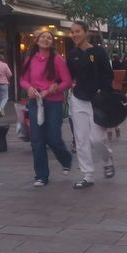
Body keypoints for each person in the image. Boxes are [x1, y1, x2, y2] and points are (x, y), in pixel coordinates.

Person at [20, 30, 74, 187]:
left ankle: (66, 158)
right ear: (36, 41)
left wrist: (52, 89)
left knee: (53, 138)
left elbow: (67, 82)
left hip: (54, 103)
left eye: (49, 38)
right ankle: (41, 176)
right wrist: (28, 88)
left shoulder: (57, 60)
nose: (45, 39)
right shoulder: (30, 59)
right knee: (37, 140)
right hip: (35, 102)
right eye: (42, 37)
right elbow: (23, 79)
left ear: (52, 42)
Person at [66, 21, 115, 189]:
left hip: (97, 101)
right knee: (81, 140)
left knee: (97, 139)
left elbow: (108, 75)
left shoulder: (99, 52)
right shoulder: (72, 54)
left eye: (78, 31)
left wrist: (104, 91)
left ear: (86, 32)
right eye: (72, 32)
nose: (74, 35)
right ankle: (87, 175)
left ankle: (108, 160)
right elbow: (68, 76)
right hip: (79, 99)